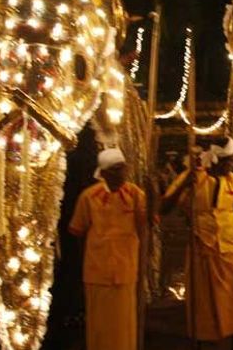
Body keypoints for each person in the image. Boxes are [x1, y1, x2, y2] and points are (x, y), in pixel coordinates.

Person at [161, 138, 233, 346]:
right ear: (216, 159)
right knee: (204, 302)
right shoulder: (192, 178)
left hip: (228, 250)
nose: (232, 165)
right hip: (202, 249)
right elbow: (165, 207)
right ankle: (203, 342)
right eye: (228, 161)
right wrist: (184, 184)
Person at [68, 148, 147, 350]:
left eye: (122, 168)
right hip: (97, 273)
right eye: (115, 170)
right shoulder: (88, 197)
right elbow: (78, 231)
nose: (121, 174)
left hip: (126, 271)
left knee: (123, 326)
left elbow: (146, 225)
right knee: (100, 327)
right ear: (103, 173)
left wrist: (154, 200)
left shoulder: (136, 195)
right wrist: (90, 260)